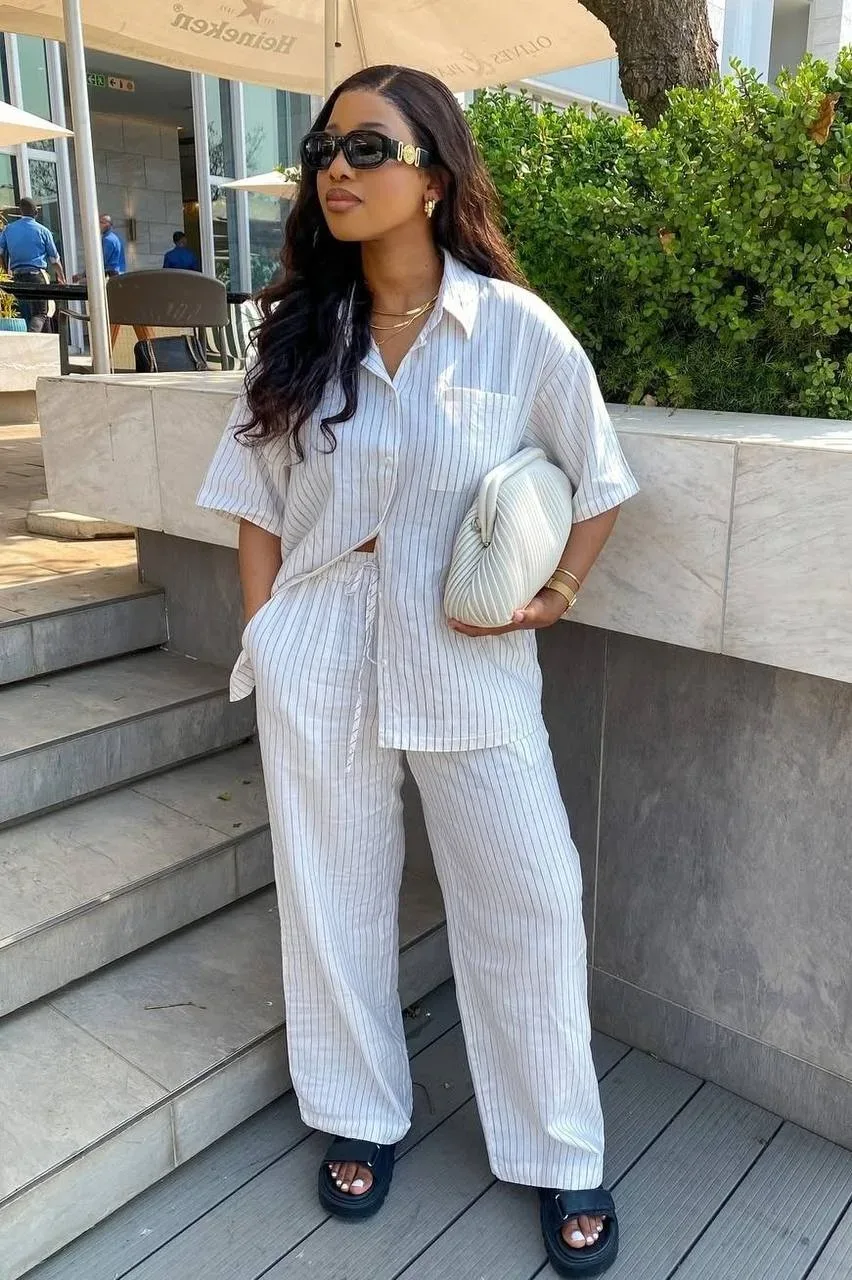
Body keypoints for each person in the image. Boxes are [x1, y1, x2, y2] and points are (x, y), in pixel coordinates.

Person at [197, 65, 638, 1278]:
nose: (336, 170)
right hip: (322, 649)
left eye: (369, 149)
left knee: (530, 895)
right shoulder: (301, 334)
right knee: (331, 893)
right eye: (323, 150)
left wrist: (557, 594)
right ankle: (358, 1109)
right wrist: (269, 635)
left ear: (435, 177)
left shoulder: (515, 329)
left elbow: (600, 477)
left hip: (466, 660)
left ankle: (558, 1145)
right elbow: (253, 501)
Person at [0, 197, 65, 332]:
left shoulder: (8, 230)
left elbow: (0, 252)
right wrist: (61, 277)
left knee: (27, 315)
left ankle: (43, 343)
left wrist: (6, 271)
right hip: (37, 276)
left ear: (21, 211)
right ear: (36, 212)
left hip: (17, 278)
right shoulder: (43, 231)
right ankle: (31, 339)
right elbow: (54, 260)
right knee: (40, 313)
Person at [99, 213, 126, 277]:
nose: (98, 225)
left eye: (101, 222)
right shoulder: (115, 237)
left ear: (107, 224)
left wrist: (84, 275)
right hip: (119, 273)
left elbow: (102, 260)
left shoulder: (108, 239)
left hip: (111, 274)